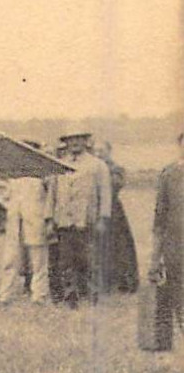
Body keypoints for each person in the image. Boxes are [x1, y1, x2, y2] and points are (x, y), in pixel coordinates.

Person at [50, 131, 111, 307]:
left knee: (90, 259)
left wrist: (103, 218)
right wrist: (50, 218)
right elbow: (52, 193)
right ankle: (70, 296)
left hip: (87, 220)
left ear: (86, 142)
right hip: (64, 220)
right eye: (71, 140)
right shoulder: (59, 164)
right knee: (66, 261)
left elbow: (105, 194)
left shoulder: (97, 165)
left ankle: (93, 296)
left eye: (79, 139)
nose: (75, 143)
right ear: (66, 143)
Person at [148, 126, 184, 349]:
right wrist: (155, 257)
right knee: (178, 294)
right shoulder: (169, 174)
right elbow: (159, 217)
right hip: (176, 246)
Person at [0, 165, 54, 305]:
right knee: (10, 258)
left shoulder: (44, 173)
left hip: (36, 220)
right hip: (15, 221)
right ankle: (5, 295)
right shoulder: (12, 172)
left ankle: (39, 295)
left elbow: (51, 197)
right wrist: (11, 206)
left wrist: (47, 218)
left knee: (38, 260)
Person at [97, 140, 140, 294]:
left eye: (102, 150)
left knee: (120, 246)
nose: (99, 153)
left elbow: (116, 185)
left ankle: (124, 282)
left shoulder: (115, 169)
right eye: (96, 150)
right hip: (96, 209)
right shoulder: (93, 167)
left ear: (109, 151)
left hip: (114, 211)